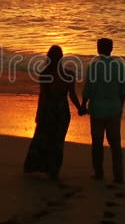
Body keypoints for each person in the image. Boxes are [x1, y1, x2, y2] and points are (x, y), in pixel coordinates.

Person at [23, 45, 83, 181]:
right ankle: (54, 171)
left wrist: (39, 114)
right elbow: (72, 95)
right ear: (61, 57)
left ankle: (36, 167)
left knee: (42, 140)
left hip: (48, 111)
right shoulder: (69, 74)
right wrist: (80, 108)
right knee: (58, 142)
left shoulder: (45, 74)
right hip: (62, 112)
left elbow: (43, 96)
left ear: (48, 57)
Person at [81, 38, 125, 183]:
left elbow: (88, 88)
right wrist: (120, 107)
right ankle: (118, 175)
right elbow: (123, 90)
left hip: (96, 109)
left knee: (97, 143)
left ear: (98, 49)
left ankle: (99, 172)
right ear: (111, 49)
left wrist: (83, 105)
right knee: (115, 144)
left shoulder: (93, 65)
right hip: (114, 109)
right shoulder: (119, 66)